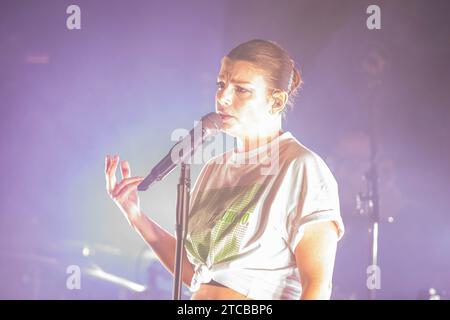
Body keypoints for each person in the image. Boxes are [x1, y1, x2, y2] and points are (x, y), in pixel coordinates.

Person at [104, 39, 344, 300]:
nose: (223, 97)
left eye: (241, 89)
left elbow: (318, 286)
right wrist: (136, 215)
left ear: (276, 101)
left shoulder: (301, 167)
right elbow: (195, 273)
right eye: (221, 85)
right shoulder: (213, 169)